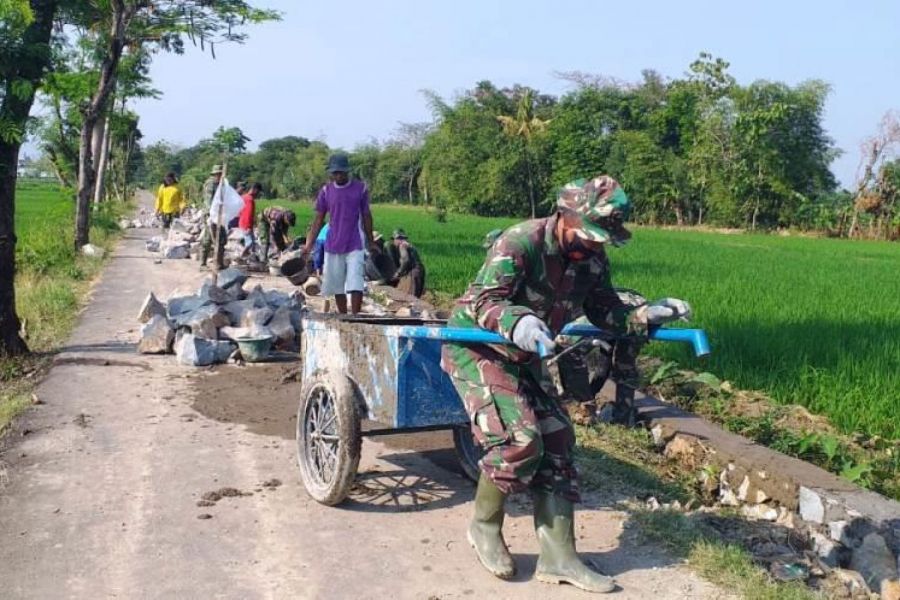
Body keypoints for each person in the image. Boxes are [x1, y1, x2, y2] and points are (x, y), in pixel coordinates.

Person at [440, 175, 691, 593]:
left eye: (602, 239)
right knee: (519, 441)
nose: (593, 245)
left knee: (557, 440)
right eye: (588, 234)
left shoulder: (591, 260)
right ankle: (483, 526)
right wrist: (516, 320)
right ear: (564, 216)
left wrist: (646, 315)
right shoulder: (522, 242)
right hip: (478, 346)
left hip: (526, 354)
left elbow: (604, 311)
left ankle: (558, 556)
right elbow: (487, 300)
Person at [303, 154, 375, 315]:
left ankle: (355, 316)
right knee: (336, 284)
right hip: (333, 243)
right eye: (335, 173)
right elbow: (318, 219)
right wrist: (308, 245)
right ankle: (343, 316)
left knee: (356, 281)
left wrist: (371, 241)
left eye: (341, 172)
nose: (338, 176)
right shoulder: (326, 191)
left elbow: (366, 215)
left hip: (354, 242)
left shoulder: (360, 188)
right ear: (331, 173)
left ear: (347, 172)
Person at [199, 165, 226, 269]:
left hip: (219, 215)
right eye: (218, 174)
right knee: (208, 238)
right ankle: (203, 263)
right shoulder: (210, 184)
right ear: (215, 174)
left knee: (221, 239)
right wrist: (212, 214)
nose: (219, 176)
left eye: (221, 174)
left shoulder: (221, 184)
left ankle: (219, 263)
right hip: (210, 215)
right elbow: (208, 201)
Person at [389, 228, 425, 298]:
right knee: (416, 293)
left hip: (414, 270)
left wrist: (398, 273)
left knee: (411, 295)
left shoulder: (402, 245)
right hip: (419, 269)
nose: (394, 242)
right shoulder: (409, 245)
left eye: (394, 240)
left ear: (397, 239)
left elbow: (406, 260)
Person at [238, 183, 262, 257]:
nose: (258, 194)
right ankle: (240, 256)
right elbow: (248, 214)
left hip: (242, 222)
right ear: (254, 190)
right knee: (250, 243)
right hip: (246, 224)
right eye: (258, 192)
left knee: (252, 245)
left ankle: (249, 259)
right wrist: (248, 226)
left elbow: (240, 212)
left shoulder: (243, 197)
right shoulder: (249, 200)